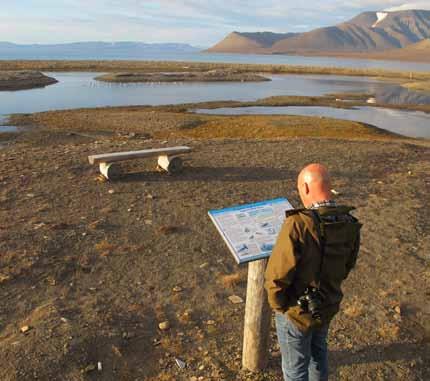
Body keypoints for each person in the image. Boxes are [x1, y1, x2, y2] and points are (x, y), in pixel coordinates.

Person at [264, 163, 361, 381]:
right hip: (328, 303)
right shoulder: (349, 222)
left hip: (296, 313)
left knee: (295, 369)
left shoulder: (298, 224)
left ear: (306, 188)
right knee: (318, 355)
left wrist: (280, 306)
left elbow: (276, 277)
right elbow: (347, 266)